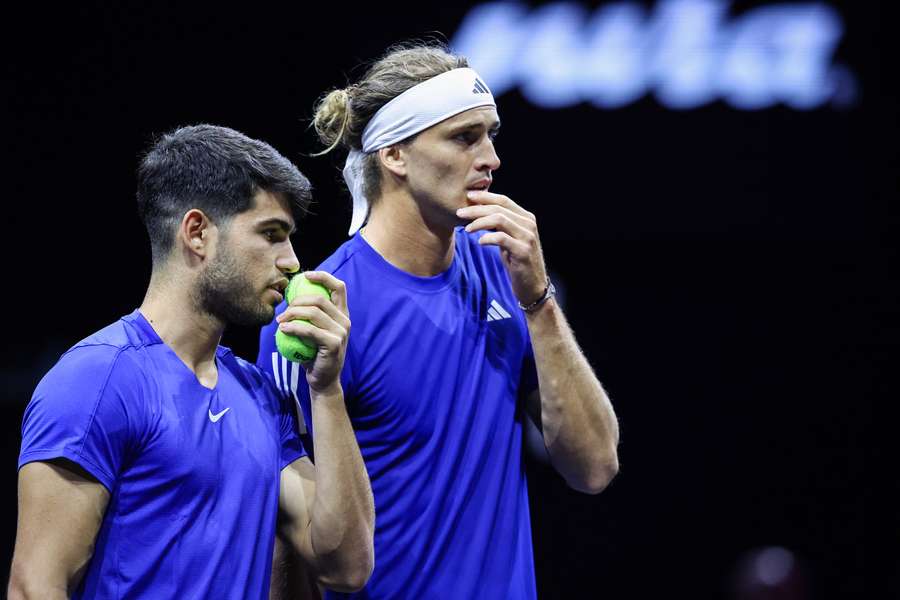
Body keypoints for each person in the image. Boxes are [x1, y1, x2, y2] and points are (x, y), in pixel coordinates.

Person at [259, 42, 620, 598]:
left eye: (491, 134)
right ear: (395, 155)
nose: (491, 158)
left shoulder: (505, 271)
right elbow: (293, 542)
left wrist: (540, 301)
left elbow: (594, 466)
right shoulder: (316, 313)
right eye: (464, 137)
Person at [9, 125, 374, 600]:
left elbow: (346, 567)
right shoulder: (95, 381)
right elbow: (35, 586)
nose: (292, 262)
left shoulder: (261, 394)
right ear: (197, 233)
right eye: (271, 234)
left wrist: (326, 389)